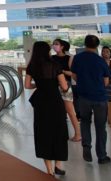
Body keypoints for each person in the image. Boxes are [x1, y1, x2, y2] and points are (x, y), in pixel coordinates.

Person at [25, 41, 69, 176]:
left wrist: (38, 86)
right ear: (47, 51)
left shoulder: (32, 66)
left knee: (43, 132)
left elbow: (27, 85)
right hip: (55, 101)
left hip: (41, 102)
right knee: (58, 131)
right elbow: (65, 87)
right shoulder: (55, 65)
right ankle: (59, 165)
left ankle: (49, 170)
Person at [71, 35, 111, 164]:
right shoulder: (101, 61)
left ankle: (86, 146)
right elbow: (106, 81)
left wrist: (83, 84)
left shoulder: (78, 58)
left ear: (85, 44)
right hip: (99, 97)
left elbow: (74, 75)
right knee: (100, 126)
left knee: (85, 122)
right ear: (97, 45)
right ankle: (102, 155)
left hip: (83, 96)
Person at [52, 39, 82, 142]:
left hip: (65, 86)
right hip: (54, 86)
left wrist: (61, 71)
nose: (54, 46)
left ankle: (78, 134)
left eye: (56, 44)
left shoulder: (69, 58)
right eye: (53, 44)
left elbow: (73, 74)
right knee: (57, 112)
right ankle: (60, 134)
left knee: (70, 111)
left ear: (62, 46)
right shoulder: (52, 58)